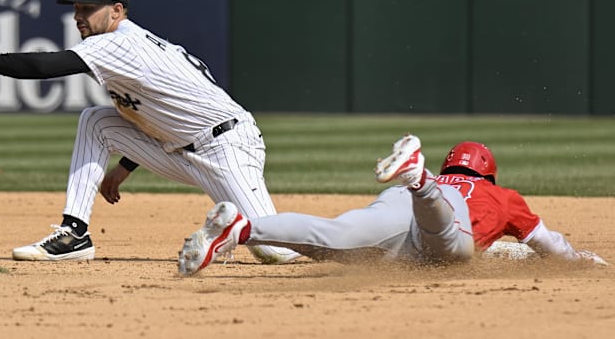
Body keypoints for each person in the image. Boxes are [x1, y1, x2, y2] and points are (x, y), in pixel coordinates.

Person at [0, 0, 299, 264]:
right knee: (97, 122)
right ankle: (73, 234)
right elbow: (157, 113)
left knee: (274, 250)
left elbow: (45, 66)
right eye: (77, 8)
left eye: (88, 8)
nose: (79, 15)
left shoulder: (118, 44)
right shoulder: (120, 43)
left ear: (117, 10)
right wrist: (124, 168)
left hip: (226, 146)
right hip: (182, 149)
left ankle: (345, 240)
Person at [178, 134, 608, 276]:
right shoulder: (505, 197)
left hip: (398, 204)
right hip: (433, 208)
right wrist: (581, 261)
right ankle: (417, 180)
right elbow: (551, 247)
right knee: (451, 251)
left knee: (335, 238)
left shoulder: (449, 178)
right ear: (489, 173)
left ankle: (241, 228)